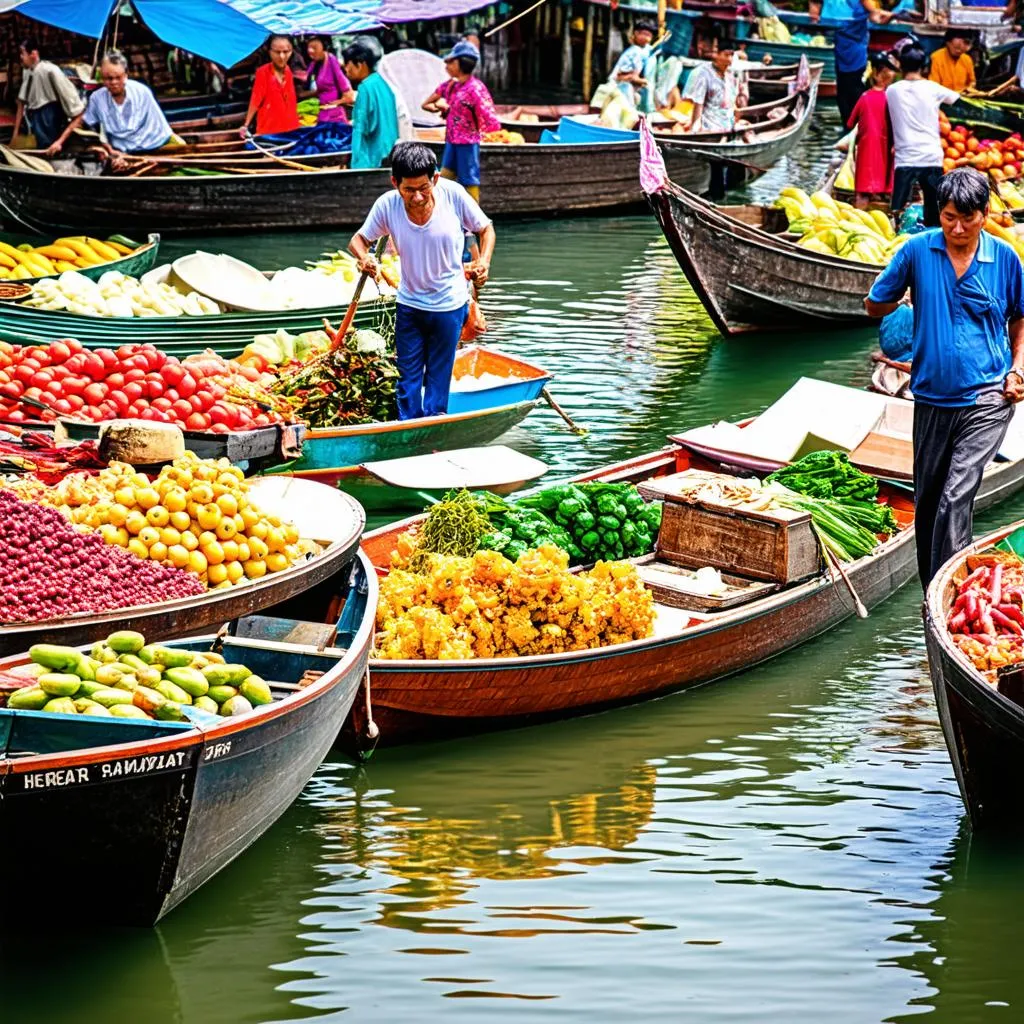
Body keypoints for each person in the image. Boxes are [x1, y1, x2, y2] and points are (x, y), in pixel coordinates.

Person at [864, 167, 1024, 583]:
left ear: (985, 213)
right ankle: (931, 589)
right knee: (930, 498)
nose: (957, 227)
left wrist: (1017, 369)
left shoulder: (1004, 257)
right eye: (949, 217)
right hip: (932, 398)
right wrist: (891, 297)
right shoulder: (917, 251)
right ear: (940, 212)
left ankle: (948, 588)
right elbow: (873, 306)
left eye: (967, 218)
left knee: (956, 494)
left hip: (988, 396)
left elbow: (1021, 318)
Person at [348, 142, 495, 420]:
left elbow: (485, 228)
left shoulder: (453, 195)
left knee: (438, 381)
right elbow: (358, 240)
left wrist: (483, 262)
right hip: (410, 305)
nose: (417, 197)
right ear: (395, 183)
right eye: (408, 190)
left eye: (423, 188)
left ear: (435, 179)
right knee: (408, 380)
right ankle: (408, 429)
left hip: (449, 306)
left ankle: (432, 430)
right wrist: (365, 258)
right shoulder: (387, 205)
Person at [57, 52, 174, 169]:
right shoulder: (97, 98)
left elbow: (135, 131)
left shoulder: (141, 92)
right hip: (119, 150)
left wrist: (123, 156)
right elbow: (83, 122)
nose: (113, 82)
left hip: (152, 145)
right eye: (108, 78)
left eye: (118, 77)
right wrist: (59, 142)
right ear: (102, 78)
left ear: (125, 75)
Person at [887, 46, 959, 226]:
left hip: (905, 159)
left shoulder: (892, 91)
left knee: (897, 207)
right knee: (934, 208)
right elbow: (956, 99)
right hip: (931, 156)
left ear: (901, 67)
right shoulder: (933, 88)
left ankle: (895, 234)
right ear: (924, 67)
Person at [421, 40, 500, 203]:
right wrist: (439, 106)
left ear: (461, 63)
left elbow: (490, 119)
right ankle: (440, 210)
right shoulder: (449, 86)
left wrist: (492, 136)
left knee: (469, 180)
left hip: (468, 143)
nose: (446, 65)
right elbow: (426, 104)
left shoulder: (475, 89)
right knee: (444, 177)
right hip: (451, 141)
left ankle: (474, 220)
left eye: (451, 61)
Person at [11, 38, 84, 155]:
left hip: (48, 115)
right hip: (34, 116)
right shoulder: (28, 71)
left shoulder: (50, 70)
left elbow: (71, 99)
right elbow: (21, 102)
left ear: (33, 54)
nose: (21, 57)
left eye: (23, 53)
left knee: (49, 149)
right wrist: (15, 134)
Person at [831, 0, 894, 129]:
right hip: (853, 49)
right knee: (853, 90)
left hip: (844, 46)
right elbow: (875, 16)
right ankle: (856, 126)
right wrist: (888, 14)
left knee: (844, 90)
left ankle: (850, 126)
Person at [847, 51, 898, 208]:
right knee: (881, 182)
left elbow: (850, 123)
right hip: (884, 147)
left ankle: (861, 210)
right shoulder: (890, 98)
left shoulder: (864, 97)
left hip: (866, 147)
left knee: (862, 190)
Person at [343, 37, 401, 170]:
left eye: (348, 64)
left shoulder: (365, 88)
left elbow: (361, 128)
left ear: (361, 64)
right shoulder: (382, 83)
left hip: (372, 158)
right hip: (390, 152)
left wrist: (356, 164)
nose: (346, 69)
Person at [242, 35, 300, 137]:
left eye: (286, 52)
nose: (282, 56)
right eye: (277, 52)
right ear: (269, 52)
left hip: (291, 130)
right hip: (269, 132)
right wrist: (246, 125)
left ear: (292, 51)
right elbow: (255, 100)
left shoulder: (288, 71)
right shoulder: (262, 72)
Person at [304, 36, 354, 125]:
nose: (310, 51)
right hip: (322, 114)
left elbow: (348, 93)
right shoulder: (314, 64)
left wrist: (336, 103)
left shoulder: (331, 60)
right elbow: (306, 82)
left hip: (335, 117)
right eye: (308, 48)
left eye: (314, 47)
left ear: (324, 47)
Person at [609, 20, 657, 111]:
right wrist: (641, 81)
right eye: (645, 34)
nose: (648, 38)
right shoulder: (634, 51)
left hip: (630, 86)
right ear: (636, 33)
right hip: (620, 86)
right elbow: (623, 76)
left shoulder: (644, 50)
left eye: (650, 35)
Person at [929, 29, 977, 93]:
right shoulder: (936, 57)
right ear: (948, 42)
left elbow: (972, 81)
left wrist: (969, 89)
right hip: (943, 97)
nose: (958, 51)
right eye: (956, 48)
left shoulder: (967, 59)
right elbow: (934, 85)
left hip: (963, 96)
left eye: (962, 50)